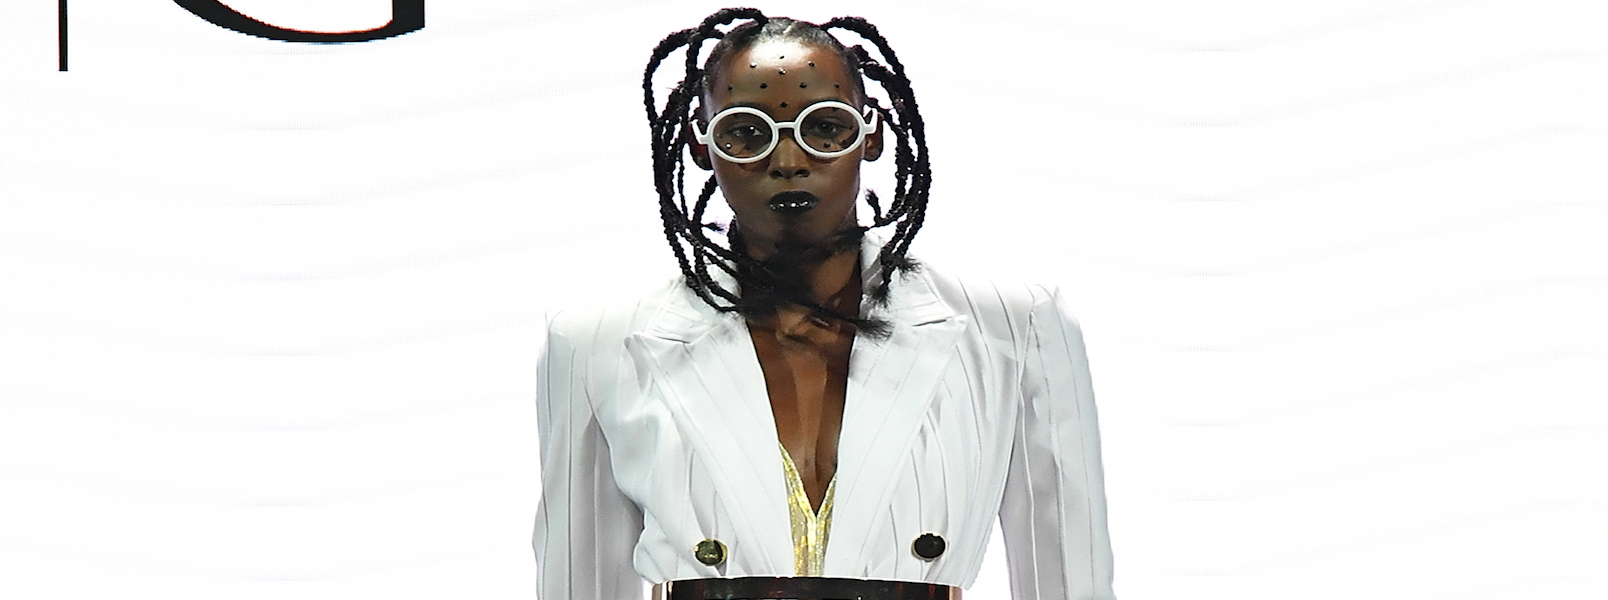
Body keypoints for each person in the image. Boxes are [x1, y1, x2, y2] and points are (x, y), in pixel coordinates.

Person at [534, 8, 1115, 599]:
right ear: (701, 146)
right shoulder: (597, 342)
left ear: (871, 135)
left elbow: (1070, 576)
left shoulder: (1012, 326)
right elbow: (579, 581)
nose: (788, 162)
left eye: (824, 128)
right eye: (746, 133)